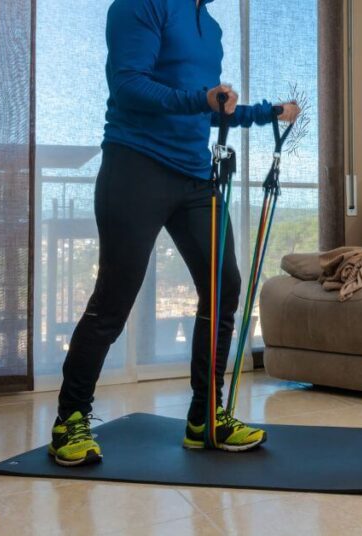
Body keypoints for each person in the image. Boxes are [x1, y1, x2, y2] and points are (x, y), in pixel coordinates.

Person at [48, 0, 300, 466]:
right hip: (135, 167)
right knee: (114, 300)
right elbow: (127, 85)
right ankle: (70, 418)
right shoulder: (139, 5)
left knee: (224, 288)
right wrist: (198, 99)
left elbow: (209, 109)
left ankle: (205, 415)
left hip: (194, 178)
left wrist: (266, 112)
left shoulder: (212, 28)